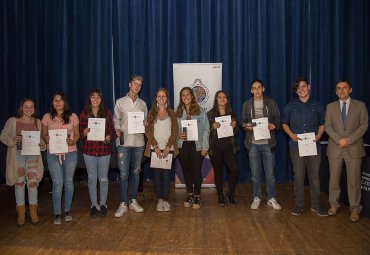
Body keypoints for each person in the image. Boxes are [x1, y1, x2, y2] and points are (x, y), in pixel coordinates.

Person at [282, 78, 328, 217]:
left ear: (308, 87)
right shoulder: (290, 105)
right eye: (298, 88)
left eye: (303, 86)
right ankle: (299, 205)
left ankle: (315, 205)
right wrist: (291, 135)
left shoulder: (318, 105)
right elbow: (284, 123)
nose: (301, 90)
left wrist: (319, 135)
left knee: (314, 176)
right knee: (299, 176)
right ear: (296, 92)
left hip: (314, 146)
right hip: (296, 146)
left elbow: (322, 123)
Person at [325, 80, 369, 222]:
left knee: (354, 181)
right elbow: (328, 126)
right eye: (338, 88)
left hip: (354, 148)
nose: (341, 90)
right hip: (335, 148)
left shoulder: (360, 105)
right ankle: (333, 205)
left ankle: (355, 209)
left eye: (344, 88)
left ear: (350, 89)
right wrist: (339, 140)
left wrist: (348, 140)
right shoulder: (330, 107)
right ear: (336, 91)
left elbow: (363, 126)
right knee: (334, 180)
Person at [0, 98, 46, 226]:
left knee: (32, 183)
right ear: (21, 108)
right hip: (18, 155)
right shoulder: (12, 121)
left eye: (31, 107)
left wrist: (42, 145)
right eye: (26, 107)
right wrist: (12, 140)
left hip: (33, 156)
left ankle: (33, 213)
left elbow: (42, 140)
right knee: (19, 183)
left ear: (35, 109)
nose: (29, 109)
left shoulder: (38, 122)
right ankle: (21, 214)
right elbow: (3, 136)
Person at [241, 80, 281, 210]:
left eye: (259, 88)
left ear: (263, 89)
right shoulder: (246, 104)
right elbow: (243, 122)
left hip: (268, 144)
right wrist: (248, 127)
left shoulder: (271, 102)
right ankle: (256, 197)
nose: (257, 90)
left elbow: (278, 119)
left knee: (270, 174)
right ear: (251, 91)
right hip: (253, 144)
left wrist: (273, 125)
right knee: (255, 174)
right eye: (254, 88)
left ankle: (271, 198)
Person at [42, 92, 80, 225]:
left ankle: (67, 210)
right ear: (52, 102)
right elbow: (43, 133)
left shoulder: (73, 116)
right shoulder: (46, 117)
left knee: (69, 182)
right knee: (57, 183)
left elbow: (76, 134)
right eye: (55, 100)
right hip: (53, 154)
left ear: (65, 102)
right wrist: (45, 138)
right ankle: (57, 213)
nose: (58, 102)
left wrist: (72, 141)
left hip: (70, 153)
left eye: (60, 100)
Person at [113, 75, 148, 217]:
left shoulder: (142, 104)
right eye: (135, 83)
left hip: (139, 142)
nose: (137, 86)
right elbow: (116, 119)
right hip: (124, 143)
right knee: (123, 174)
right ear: (129, 84)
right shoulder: (120, 102)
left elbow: (146, 121)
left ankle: (133, 200)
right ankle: (123, 203)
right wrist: (117, 128)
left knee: (136, 172)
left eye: (139, 84)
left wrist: (146, 123)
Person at [79, 89, 114, 218]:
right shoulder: (84, 114)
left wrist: (109, 137)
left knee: (103, 179)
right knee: (92, 179)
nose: (95, 99)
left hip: (104, 151)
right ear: (89, 99)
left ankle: (103, 204)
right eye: (93, 97)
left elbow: (112, 131)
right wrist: (84, 132)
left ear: (101, 99)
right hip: (89, 151)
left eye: (98, 97)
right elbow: (80, 135)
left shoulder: (107, 113)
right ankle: (94, 204)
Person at [144, 88, 179, 212]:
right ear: (156, 98)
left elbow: (175, 131)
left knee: (166, 175)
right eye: (159, 96)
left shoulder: (172, 113)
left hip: (168, 149)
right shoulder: (151, 113)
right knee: (157, 175)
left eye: (164, 96)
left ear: (167, 99)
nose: (162, 98)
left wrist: (168, 146)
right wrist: (156, 146)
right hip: (155, 150)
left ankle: (165, 200)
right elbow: (147, 131)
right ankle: (159, 200)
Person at [176, 87, 209, 209]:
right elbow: (173, 129)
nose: (185, 97)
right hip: (183, 145)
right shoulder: (177, 111)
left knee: (196, 170)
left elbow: (206, 129)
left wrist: (205, 146)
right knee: (186, 170)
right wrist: (177, 134)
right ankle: (189, 193)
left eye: (187, 94)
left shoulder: (200, 111)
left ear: (192, 96)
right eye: (183, 95)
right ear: (181, 97)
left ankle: (197, 195)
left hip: (197, 144)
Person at [207, 90, 239, 206]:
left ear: (227, 100)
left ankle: (230, 193)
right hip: (215, 148)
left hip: (229, 147)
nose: (222, 99)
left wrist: (235, 126)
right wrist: (212, 126)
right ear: (216, 100)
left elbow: (236, 132)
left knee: (235, 169)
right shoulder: (210, 114)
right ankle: (220, 195)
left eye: (224, 97)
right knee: (218, 171)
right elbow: (205, 131)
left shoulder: (232, 114)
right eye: (220, 97)